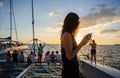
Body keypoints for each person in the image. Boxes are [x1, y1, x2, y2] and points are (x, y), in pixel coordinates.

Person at [61, 12, 91, 78]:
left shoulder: (69, 34)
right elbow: (69, 56)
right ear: (73, 23)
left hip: (71, 70)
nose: (78, 23)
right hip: (70, 72)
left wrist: (83, 41)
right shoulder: (67, 35)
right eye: (77, 22)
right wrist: (82, 43)